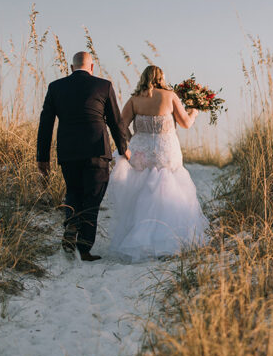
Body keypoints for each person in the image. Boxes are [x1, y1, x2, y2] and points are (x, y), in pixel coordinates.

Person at [103, 65, 208, 261]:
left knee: (141, 190)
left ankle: (139, 238)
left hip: (140, 150)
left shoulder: (135, 100)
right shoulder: (169, 96)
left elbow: (120, 126)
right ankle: (168, 239)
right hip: (165, 150)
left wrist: (132, 137)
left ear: (143, 78)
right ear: (161, 78)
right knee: (168, 188)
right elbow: (185, 123)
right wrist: (194, 111)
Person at [37, 51, 129, 262]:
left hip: (68, 152)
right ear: (92, 67)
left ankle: (71, 223)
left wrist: (42, 158)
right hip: (96, 150)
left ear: (71, 68)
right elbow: (116, 121)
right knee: (92, 198)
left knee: (74, 192)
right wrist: (124, 148)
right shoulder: (104, 85)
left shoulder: (55, 87)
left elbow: (45, 124)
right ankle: (84, 248)